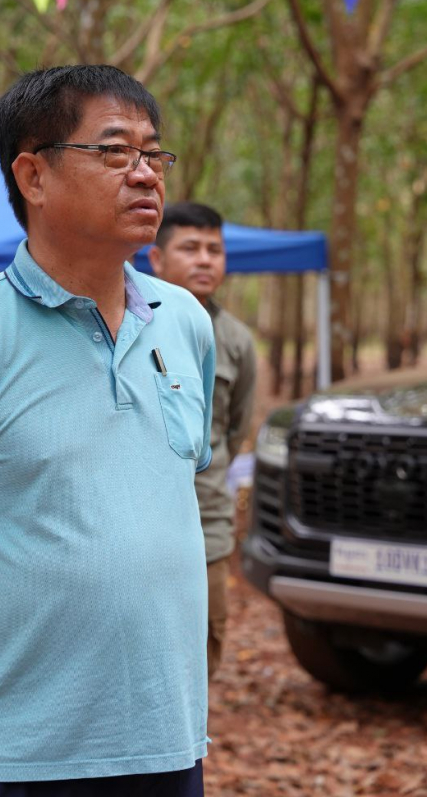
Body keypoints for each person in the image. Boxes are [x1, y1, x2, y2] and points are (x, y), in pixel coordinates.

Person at [0, 65, 216, 796]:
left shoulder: (185, 321)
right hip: (18, 751)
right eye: (113, 152)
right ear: (33, 176)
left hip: (167, 739)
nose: (146, 174)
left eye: (154, 154)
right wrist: (1, 619)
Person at [149, 202, 257, 678]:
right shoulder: (128, 321)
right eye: (190, 248)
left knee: (200, 658)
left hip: (205, 523)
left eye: (214, 250)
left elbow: (235, 429)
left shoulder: (236, 340)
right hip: (138, 525)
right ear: (157, 258)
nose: (205, 260)